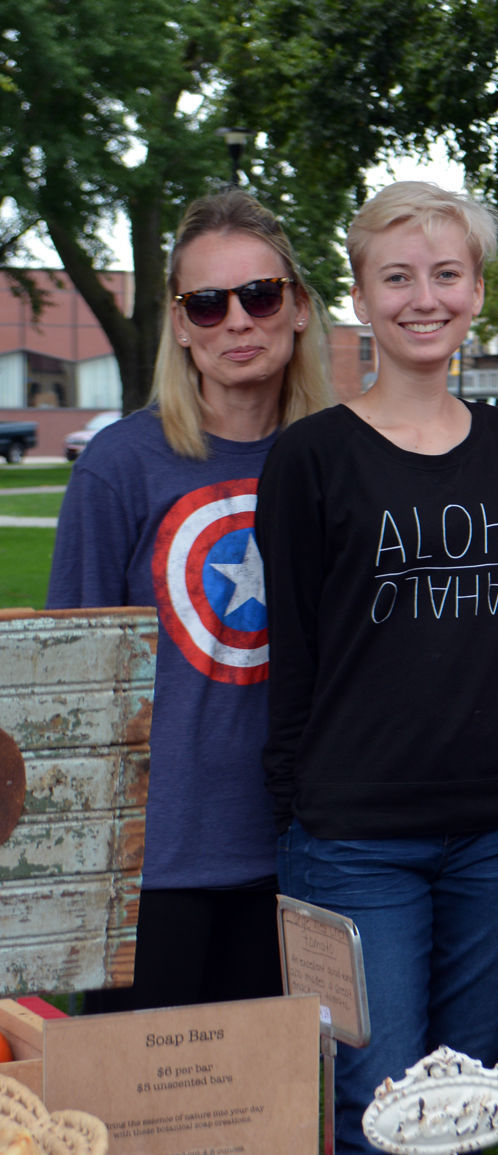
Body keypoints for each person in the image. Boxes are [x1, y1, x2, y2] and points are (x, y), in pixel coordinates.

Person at [256, 182, 498, 1154]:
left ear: (476, 288)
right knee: (377, 1106)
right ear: (361, 294)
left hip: (497, 832)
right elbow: (292, 651)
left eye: (447, 274)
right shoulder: (311, 457)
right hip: (356, 836)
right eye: (398, 277)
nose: (426, 298)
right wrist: (296, 813)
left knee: (464, 1100)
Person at [45, 187, 332, 1010]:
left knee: (270, 1118)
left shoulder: (338, 458)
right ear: (178, 323)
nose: (236, 320)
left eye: (260, 295)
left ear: (300, 308)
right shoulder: (119, 466)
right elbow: (73, 685)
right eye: (207, 303)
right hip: (151, 861)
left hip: (300, 851)